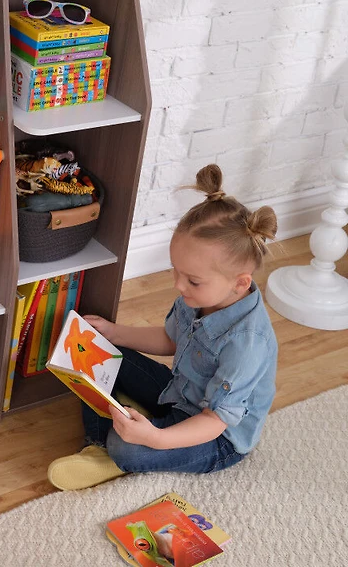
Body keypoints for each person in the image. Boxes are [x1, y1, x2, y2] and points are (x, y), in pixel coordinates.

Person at [48, 164, 279, 491]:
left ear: (240, 284)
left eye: (192, 280)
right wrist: (113, 333)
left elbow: (216, 421)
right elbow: (169, 339)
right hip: (180, 393)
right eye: (176, 271)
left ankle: (104, 449)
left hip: (216, 437)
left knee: (127, 449)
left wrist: (157, 438)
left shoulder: (247, 344)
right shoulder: (197, 298)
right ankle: (120, 431)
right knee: (96, 356)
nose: (178, 285)